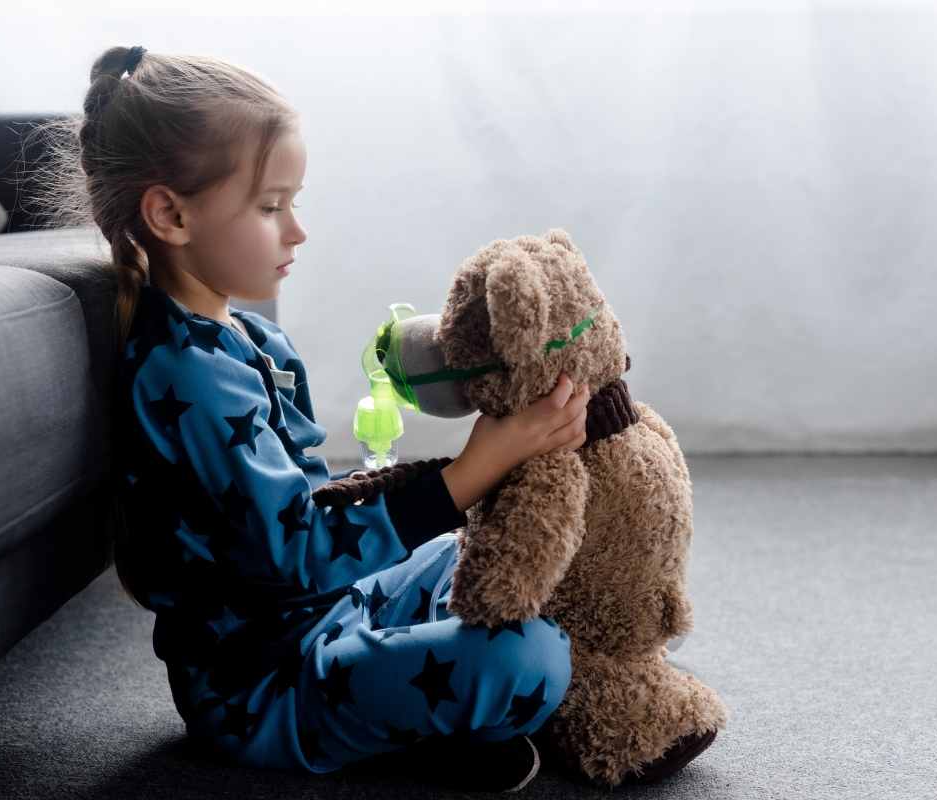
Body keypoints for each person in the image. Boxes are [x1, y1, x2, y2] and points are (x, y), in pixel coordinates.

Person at [52, 44, 589, 792]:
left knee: (504, 548)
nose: (296, 230)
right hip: (267, 684)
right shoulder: (182, 373)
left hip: (335, 607)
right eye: (271, 207)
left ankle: (435, 705)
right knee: (525, 660)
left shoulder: (253, 338)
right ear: (171, 214)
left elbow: (309, 504)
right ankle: (430, 719)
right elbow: (293, 555)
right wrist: (472, 469)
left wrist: (463, 486)